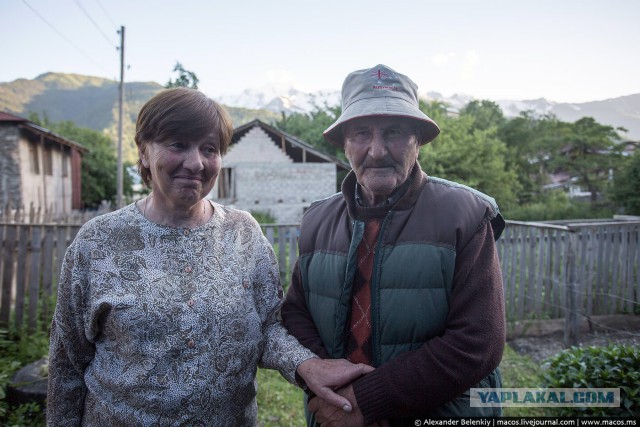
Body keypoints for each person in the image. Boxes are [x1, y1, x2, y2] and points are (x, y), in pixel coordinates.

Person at [47, 87, 372, 426]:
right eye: (177, 145)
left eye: (209, 149)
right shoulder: (98, 242)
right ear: (144, 151)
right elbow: (67, 363)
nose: (196, 163)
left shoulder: (244, 233)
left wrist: (306, 365)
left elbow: (269, 328)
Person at [282, 64, 506, 425]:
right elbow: (295, 312)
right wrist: (330, 385)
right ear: (344, 143)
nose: (377, 150)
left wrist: (367, 400)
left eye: (395, 132)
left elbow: (478, 342)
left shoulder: (464, 214)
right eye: (360, 133)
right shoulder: (317, 220)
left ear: (418, 139)